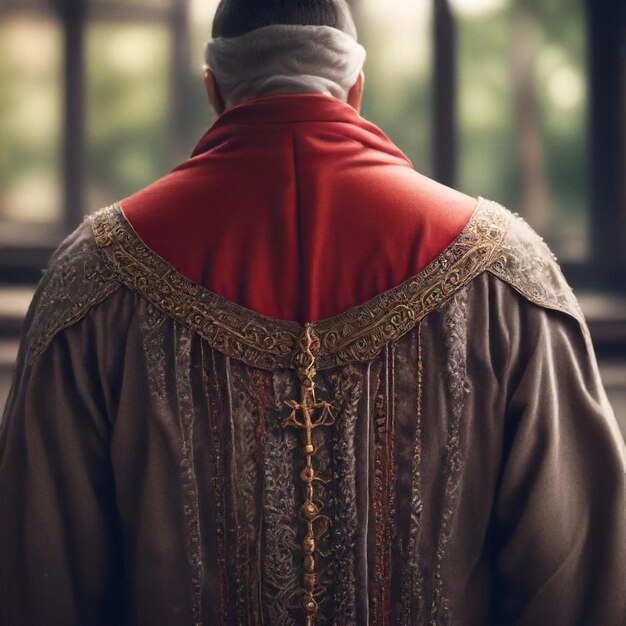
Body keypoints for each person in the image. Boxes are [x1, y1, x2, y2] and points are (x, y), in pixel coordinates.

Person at [1, 1, 625, 624]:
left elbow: (37, 576)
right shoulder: (504, 270)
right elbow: (582, 572)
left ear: (213, 88)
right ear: (356, 86)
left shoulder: (93, 275)